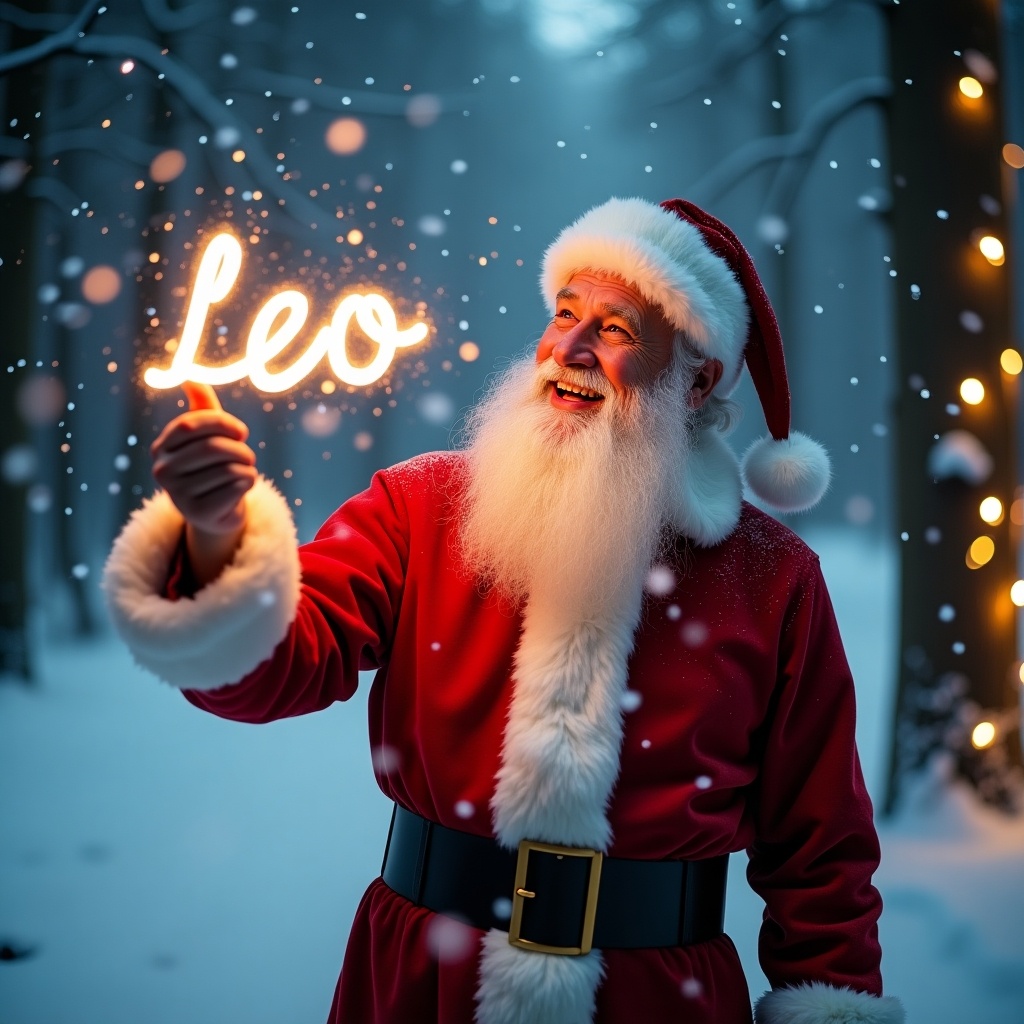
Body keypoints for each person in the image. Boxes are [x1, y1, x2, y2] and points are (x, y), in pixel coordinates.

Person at [103, 197, 903, 1024]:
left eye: (617, 329)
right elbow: (267, 674)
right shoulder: (420, 507)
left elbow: (822, 856)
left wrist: (831, 1007)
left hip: (659, 999)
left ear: (696, 380)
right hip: (422, 982)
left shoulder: (774, 580)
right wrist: (213, 543)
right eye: (564, 315)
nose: (572, 349)